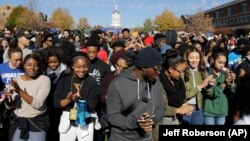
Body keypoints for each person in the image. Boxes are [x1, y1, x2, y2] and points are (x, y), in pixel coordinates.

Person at [107, 47, 165, 141]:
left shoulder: (156, 81)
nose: (159, 72)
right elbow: (113, 117)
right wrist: (135, 123)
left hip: (147, 138)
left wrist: (152, 120)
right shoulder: (117, 84)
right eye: (157, 68)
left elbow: (161, 107)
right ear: (143, 66)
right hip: (122, 138)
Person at [3, 53, 51, 141]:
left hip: (37, 123)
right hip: (19, 123)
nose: (32, 68)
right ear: (24, 65)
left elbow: (38, 104)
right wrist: (6, 100)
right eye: (29, 65)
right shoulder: (16, 80)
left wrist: (20, 91)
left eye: (36, 66)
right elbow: (11, 106)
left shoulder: (44, 80)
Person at [53, 55, 99, 141]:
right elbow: (56, 104)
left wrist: (80, 100)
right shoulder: (64, 81)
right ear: (72, 66)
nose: (82, 70)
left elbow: (92, 105)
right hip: (68, 117)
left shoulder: (92, 82)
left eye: (85, 67)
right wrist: (68, 100)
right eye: (78, 67)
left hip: (86, 119)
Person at [159, 49, 194, 125]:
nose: (181, 74)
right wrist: (178, 110)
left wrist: (185, 107)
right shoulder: (159, 82)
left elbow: (182, 97)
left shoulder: (178, 80)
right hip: (164, 121)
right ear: (170, 69)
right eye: (180, 71)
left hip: (177, 119)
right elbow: (158, 107)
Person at [182, 46, 215, 125]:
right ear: (186, 58)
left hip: (198, 108)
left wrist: (209, 86)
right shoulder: (181, 73)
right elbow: (184, 94)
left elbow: (210, 94)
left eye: (197, 58)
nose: (195, 60)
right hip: (185, 108)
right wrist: (200, 86)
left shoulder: (202, 71)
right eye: (191, 58)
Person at [203, 49, 235, 125]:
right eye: (220, 62)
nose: (222, 65)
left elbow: (233, 91)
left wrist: (232, 81)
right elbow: (211, 93)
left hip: (222, 111)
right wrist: (224, 83)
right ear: (212, 60)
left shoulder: (224, 74)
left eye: (224, 63)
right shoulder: (206, 73)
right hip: (209, 110)